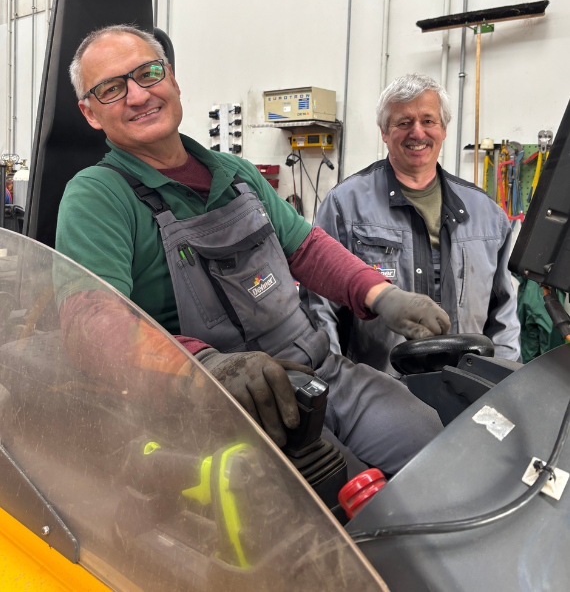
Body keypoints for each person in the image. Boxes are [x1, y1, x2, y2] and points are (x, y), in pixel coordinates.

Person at [55, 26, 450, 477]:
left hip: (320, 370)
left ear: (173, 80)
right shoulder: (98, 195)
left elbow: (305, 247)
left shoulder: (236, 174)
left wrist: (381, 295)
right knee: (347, 493)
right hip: (224, 404)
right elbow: (91, 323)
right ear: (90, 113)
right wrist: (203, 366)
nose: (138, 95)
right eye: (111, 88)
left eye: (148, 73)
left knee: (430, 442)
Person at [304, 74, 521, 373]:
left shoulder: (487, 214)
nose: (417, 133)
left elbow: (505, 317)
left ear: (444, 129)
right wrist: (337, 387)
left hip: (469, 394)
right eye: (404, 122)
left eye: (428, 121)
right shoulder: (345, 206)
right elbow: (320, 309)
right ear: (384, 131)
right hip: (380, 394)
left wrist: (504, 383)